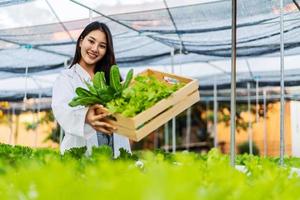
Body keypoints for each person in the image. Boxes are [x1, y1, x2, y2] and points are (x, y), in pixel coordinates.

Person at [51, 21, 131, 157]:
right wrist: (85, 116)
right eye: (91, 41)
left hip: (115, 150)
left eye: (102, 46)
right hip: (81, 153)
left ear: (106, 51)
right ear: (81, 41)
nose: (95, 49)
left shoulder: (113, 79)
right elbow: (61, 109)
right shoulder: (66, 77)